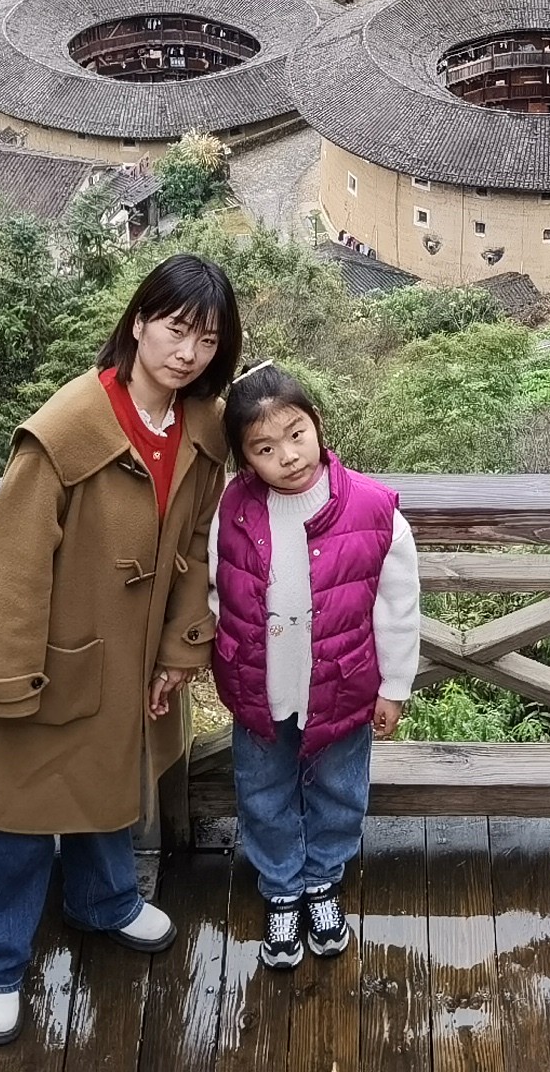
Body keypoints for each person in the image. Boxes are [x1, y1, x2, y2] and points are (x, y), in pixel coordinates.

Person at [0, 255, 242, 1043]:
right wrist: (8, 680)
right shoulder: (67, 430)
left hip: (134, 657)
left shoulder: (200, 429)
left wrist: (183, 651)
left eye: (207, 339)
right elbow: (8, 566)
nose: (187, 353)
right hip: (54, 658)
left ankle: (104, 902)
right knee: (16, 821)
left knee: (111, 793)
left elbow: (195, 547)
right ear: (140, 322)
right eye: (176, 329)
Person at [205, 363, 420, 969]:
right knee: (263, 791)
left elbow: (398, 607)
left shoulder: (373, 508)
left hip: (344, 683)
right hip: (261, 686)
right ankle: (281, 889)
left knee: (339, 789)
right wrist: (223, 648)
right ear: (246, 460)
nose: (289, 456)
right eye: (266, 448)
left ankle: (322, 881)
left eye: (296, 434)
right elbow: (213, 583)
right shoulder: (235, 508)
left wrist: (395, 686)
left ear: (317, 426)